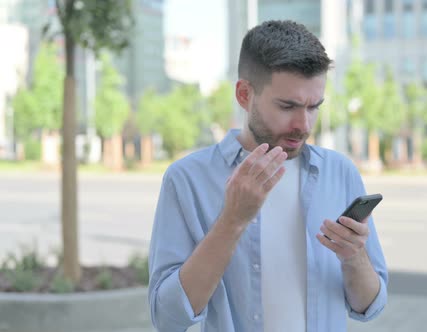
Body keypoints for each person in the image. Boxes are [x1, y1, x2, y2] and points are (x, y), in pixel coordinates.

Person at [148, 20, 388, 332]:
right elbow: (167, 318)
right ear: (244, 94)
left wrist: (354, 257)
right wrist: (232, 219)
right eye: (287, 106)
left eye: (314, 106)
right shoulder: (187, 179)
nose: (303, 124)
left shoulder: (340, 172)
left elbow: (369, 306)